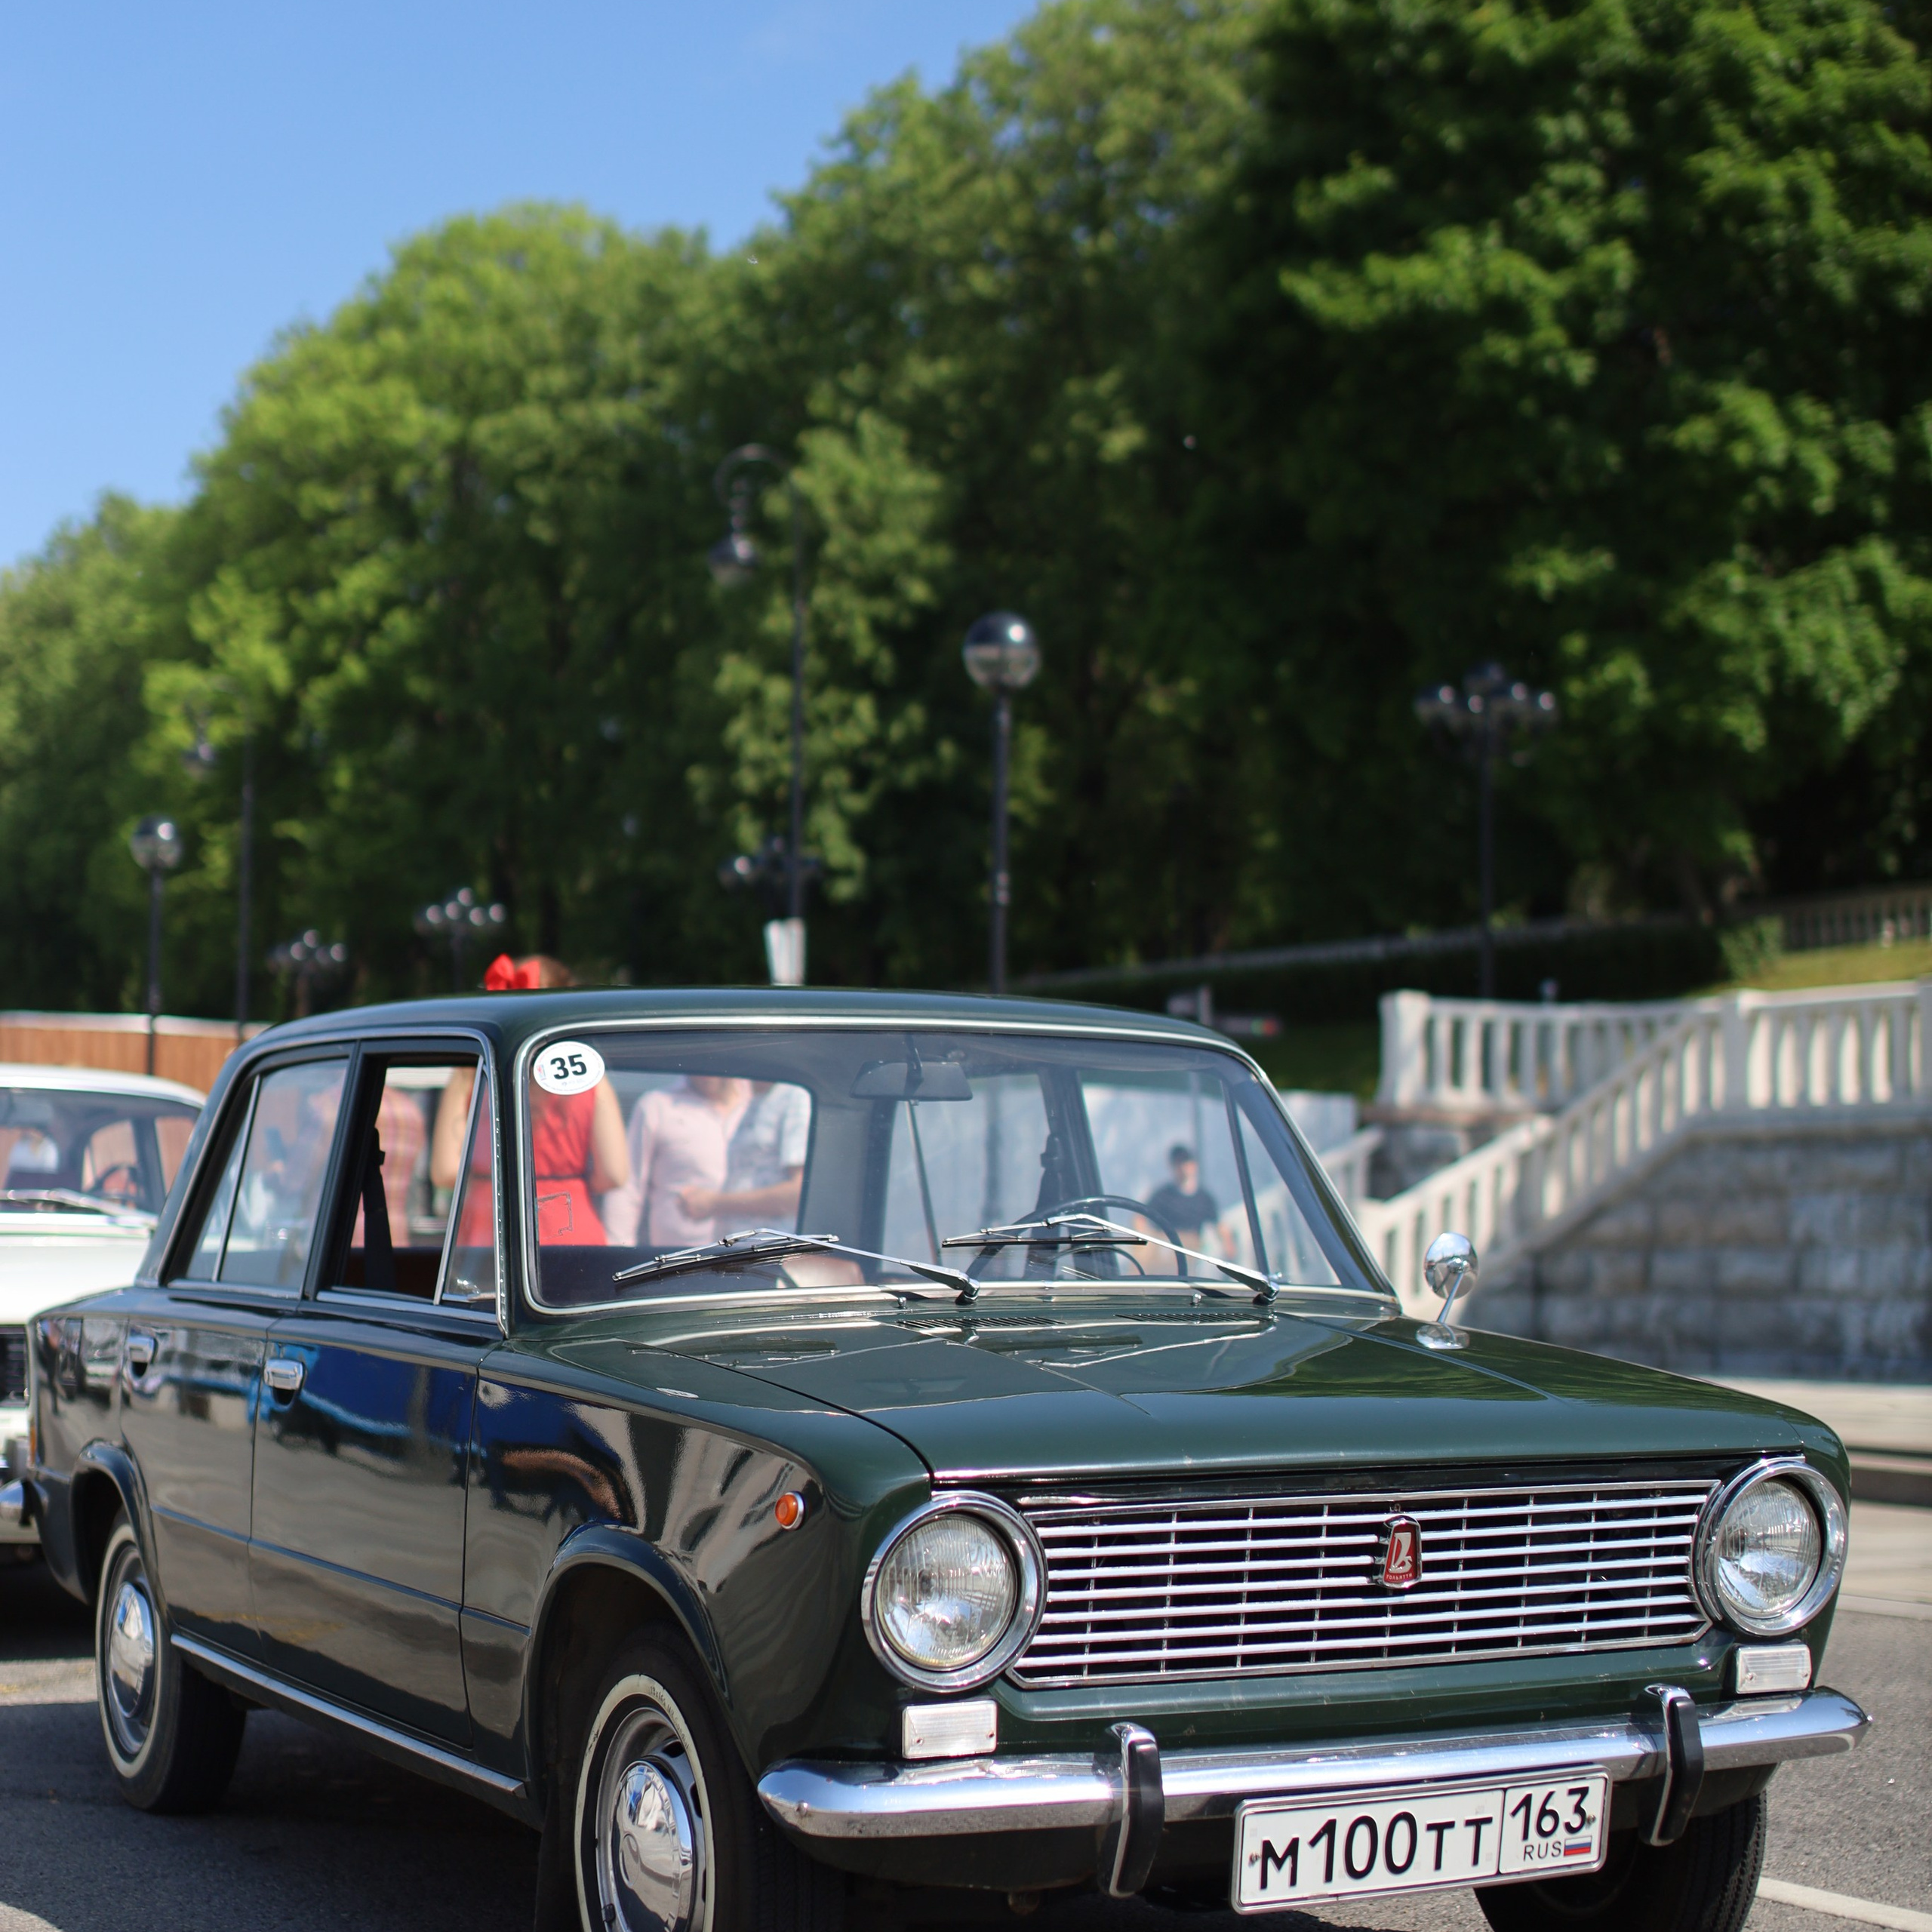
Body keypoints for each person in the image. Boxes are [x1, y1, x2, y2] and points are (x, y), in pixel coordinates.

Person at [601, 1076, 750, 1250]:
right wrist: (620, 1252)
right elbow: (628, 1186)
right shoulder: (658, 1105)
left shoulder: (763, 1102)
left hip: (752, 1259)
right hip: (677, 1261)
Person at [676, 1081, 811, 1234]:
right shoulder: (758, 1099)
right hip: (742, 1247)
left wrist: (715, 1203)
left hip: (771, 1248)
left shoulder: (795, 1097)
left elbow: (799, 1192)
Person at [1145, 1143, 1222, 1250]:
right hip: (1167, 1252)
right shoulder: (1163, 1196)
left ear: (1194, 1165)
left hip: (1196, 1253)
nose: (1182, 1168)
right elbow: (1141, 1218)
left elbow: (1218, 1226)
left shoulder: (1205, 1199)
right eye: (1178, 1163)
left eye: (1185, 1162)